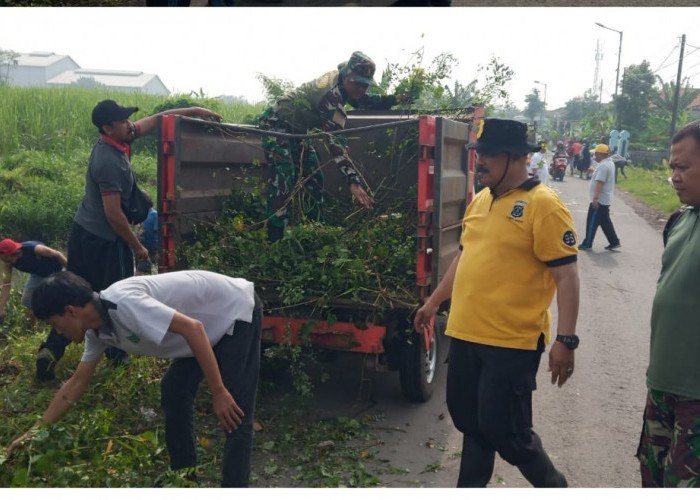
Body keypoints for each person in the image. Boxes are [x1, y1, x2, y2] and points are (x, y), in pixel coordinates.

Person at [414, 118, 580, 488]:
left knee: (506, 431)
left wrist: (566, 340)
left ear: (517, 157)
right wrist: (434, 302)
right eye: (480, 152)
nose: (481, 160)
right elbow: (465, 258)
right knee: (471, 423)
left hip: (511, 342)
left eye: (488, 154)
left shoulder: (543, 206)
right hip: (466, 333)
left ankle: (556, 487)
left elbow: (566, 276)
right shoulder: (481, 200)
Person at [5, 269, 262, 488]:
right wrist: (32, 434)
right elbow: (76, 384)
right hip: (201, 332)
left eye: (55, 323)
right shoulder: (98, 332)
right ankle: (184, 478)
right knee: (174, 391)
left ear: (70, 310)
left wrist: (218, 391)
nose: (57, 331)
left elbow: (194, 328)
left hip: (234, 314)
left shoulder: (124, 303)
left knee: (234, 410)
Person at [35, 100, 222, 381]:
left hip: (82, 231)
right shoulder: (108, 161)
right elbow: (113, 214)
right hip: (104, 239)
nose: (128, 125)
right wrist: (137, 246)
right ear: (107, 128)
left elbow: (157, 120)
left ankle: (50, 350)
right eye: (121, 122)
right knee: (115, 295)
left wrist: (193, 112)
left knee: (71, 293)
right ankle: (117, 353)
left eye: (127, 120)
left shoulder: (121, 136)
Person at [257, 51, 408, 241]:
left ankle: (313, 230)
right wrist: (353, 181)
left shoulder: (347, 85)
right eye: (358, 83)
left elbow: (365, 101)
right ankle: (275, 239)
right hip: (276, 124)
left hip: (298, 131)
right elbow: (334, 139)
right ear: (347, 76)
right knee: (284, 175)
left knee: (313, 175)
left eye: (365, 84)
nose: (362, 88)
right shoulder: (331, 97)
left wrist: (396, 99)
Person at [637, 120, 700, 487]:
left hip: (696, 397)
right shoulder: (679, 220)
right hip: (662, 387)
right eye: (672, 168)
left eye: (684, 167)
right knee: (654, 477)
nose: (674, 177)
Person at [0, 238, 66, 327]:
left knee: (58, 298)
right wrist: (2, 308)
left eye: (6, 260)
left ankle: (59, 322)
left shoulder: (35, 249)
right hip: (38, 275)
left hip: (57, 271)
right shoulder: (8, 264)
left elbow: (58, 254)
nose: (5, 262)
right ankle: (33, 327)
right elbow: (6, 285)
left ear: (14, 254)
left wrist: (72, 271)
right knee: (27, 300)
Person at [578, 144, 621, 251]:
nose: (594, 156)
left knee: (592, 222)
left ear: (600, 154)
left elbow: (600, 182)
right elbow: (601, 176)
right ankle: (614, 241)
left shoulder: (604, 166)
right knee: (605, 222)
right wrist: (594, 171)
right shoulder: (608, 163)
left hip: (600, 200)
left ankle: (587, 243)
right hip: (605, 199)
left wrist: (595, 199)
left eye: (595, 154)